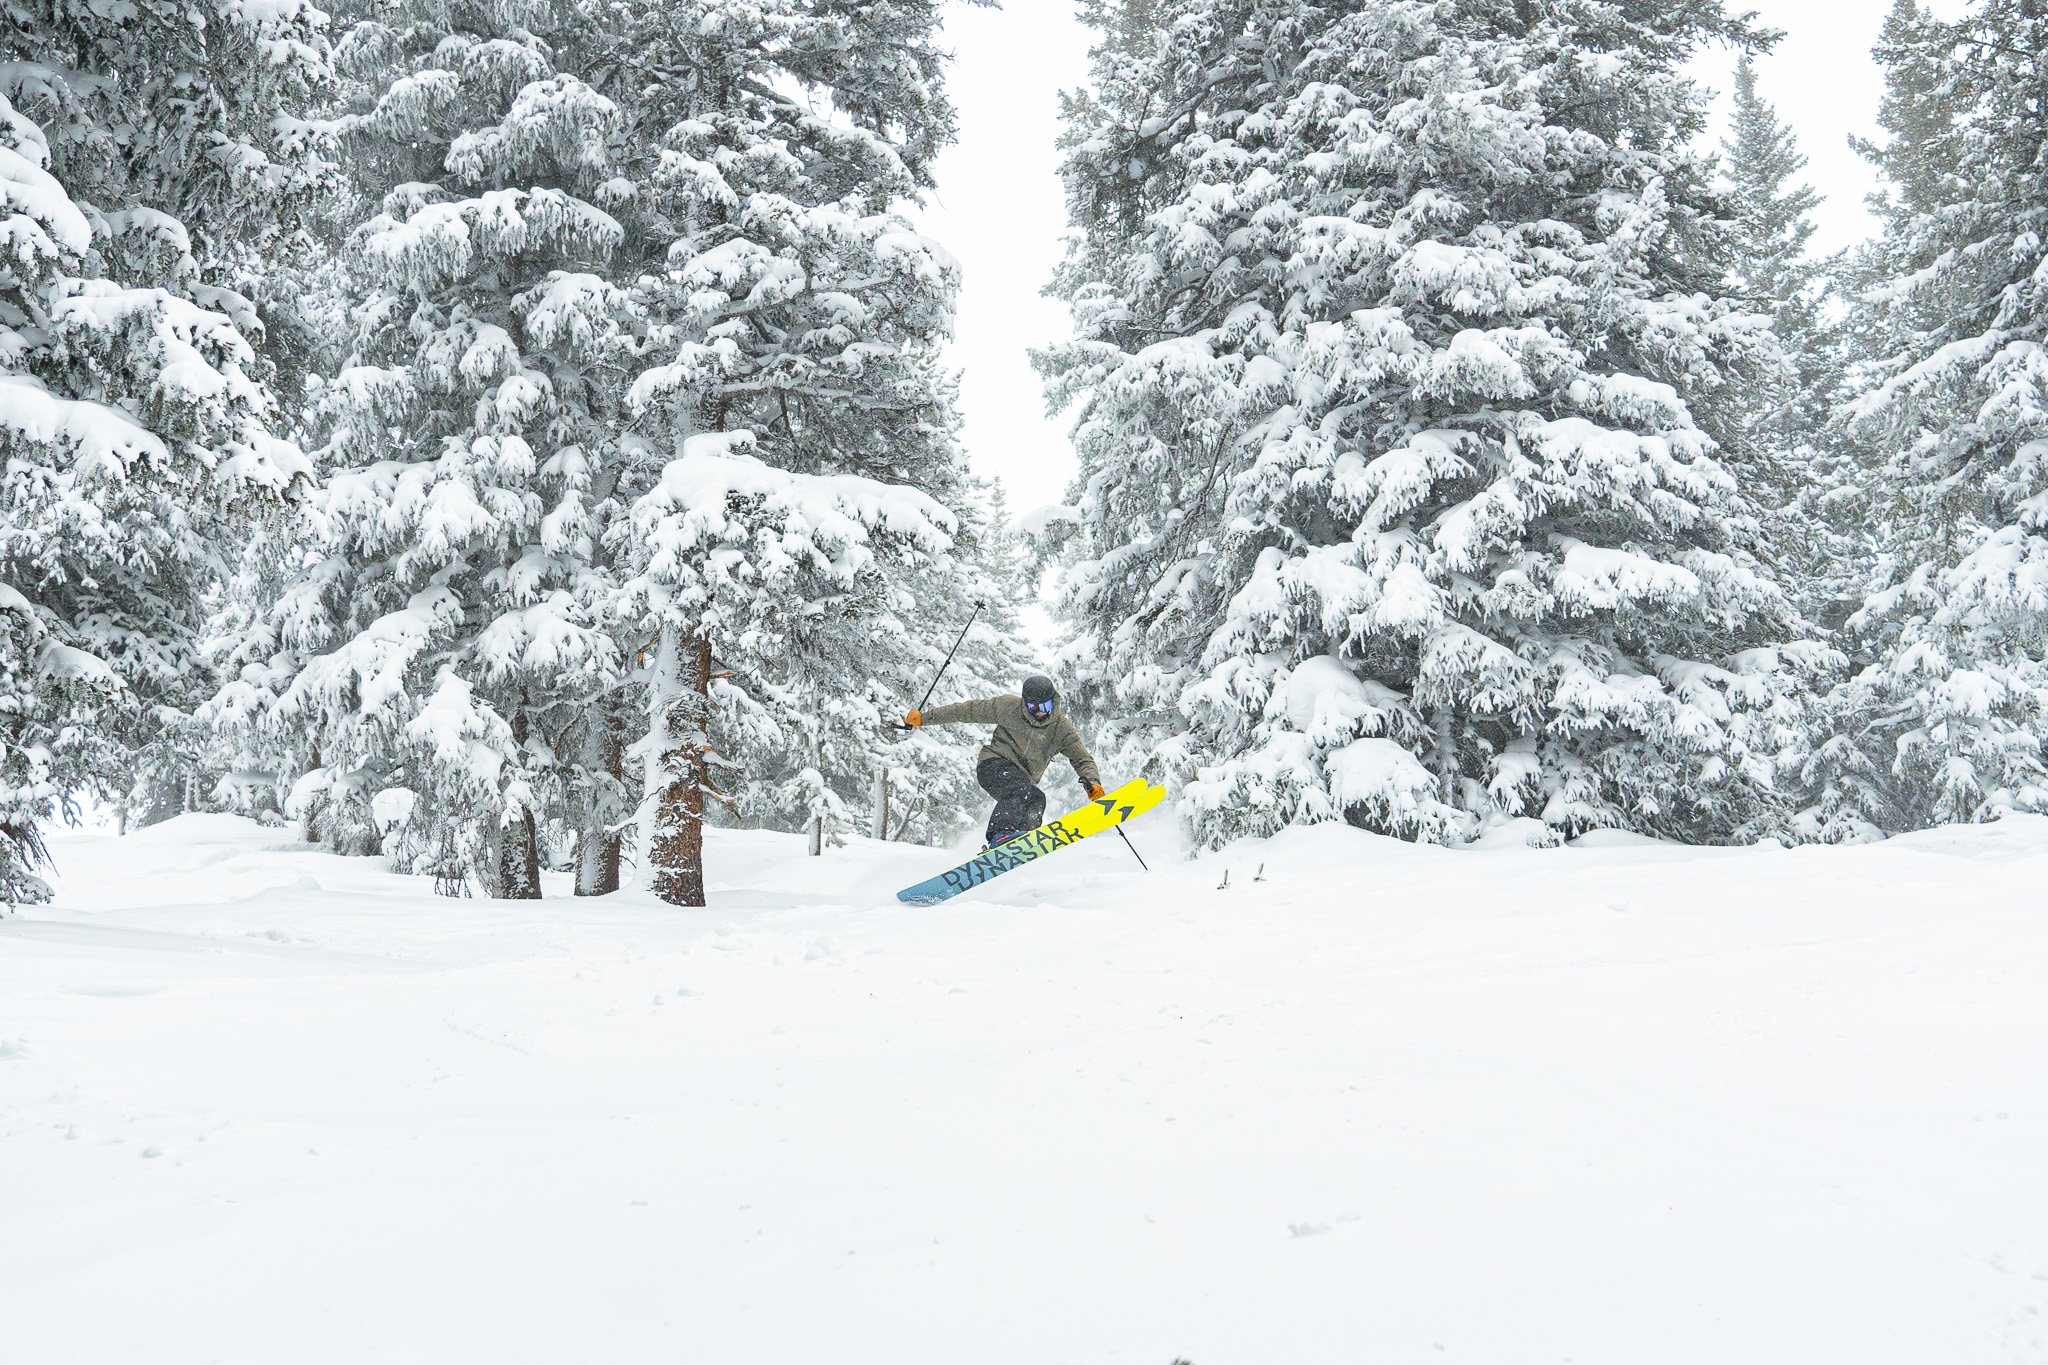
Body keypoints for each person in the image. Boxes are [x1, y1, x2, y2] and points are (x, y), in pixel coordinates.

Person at [904, 674, 1106, 848]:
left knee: (1036, 798)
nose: (1040, 712)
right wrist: (925, 718)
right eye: (1034, 707)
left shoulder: (1061, 729)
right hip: (993, 764)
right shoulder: (1008, 707)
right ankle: (1001, 836)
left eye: (1045, 705)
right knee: (1019, 789)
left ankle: (1023, 841)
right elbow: (966, 710)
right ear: (1025, 703)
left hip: (1022, 779)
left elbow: (1082, 758)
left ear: (1053, 701)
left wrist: (1092, 781)